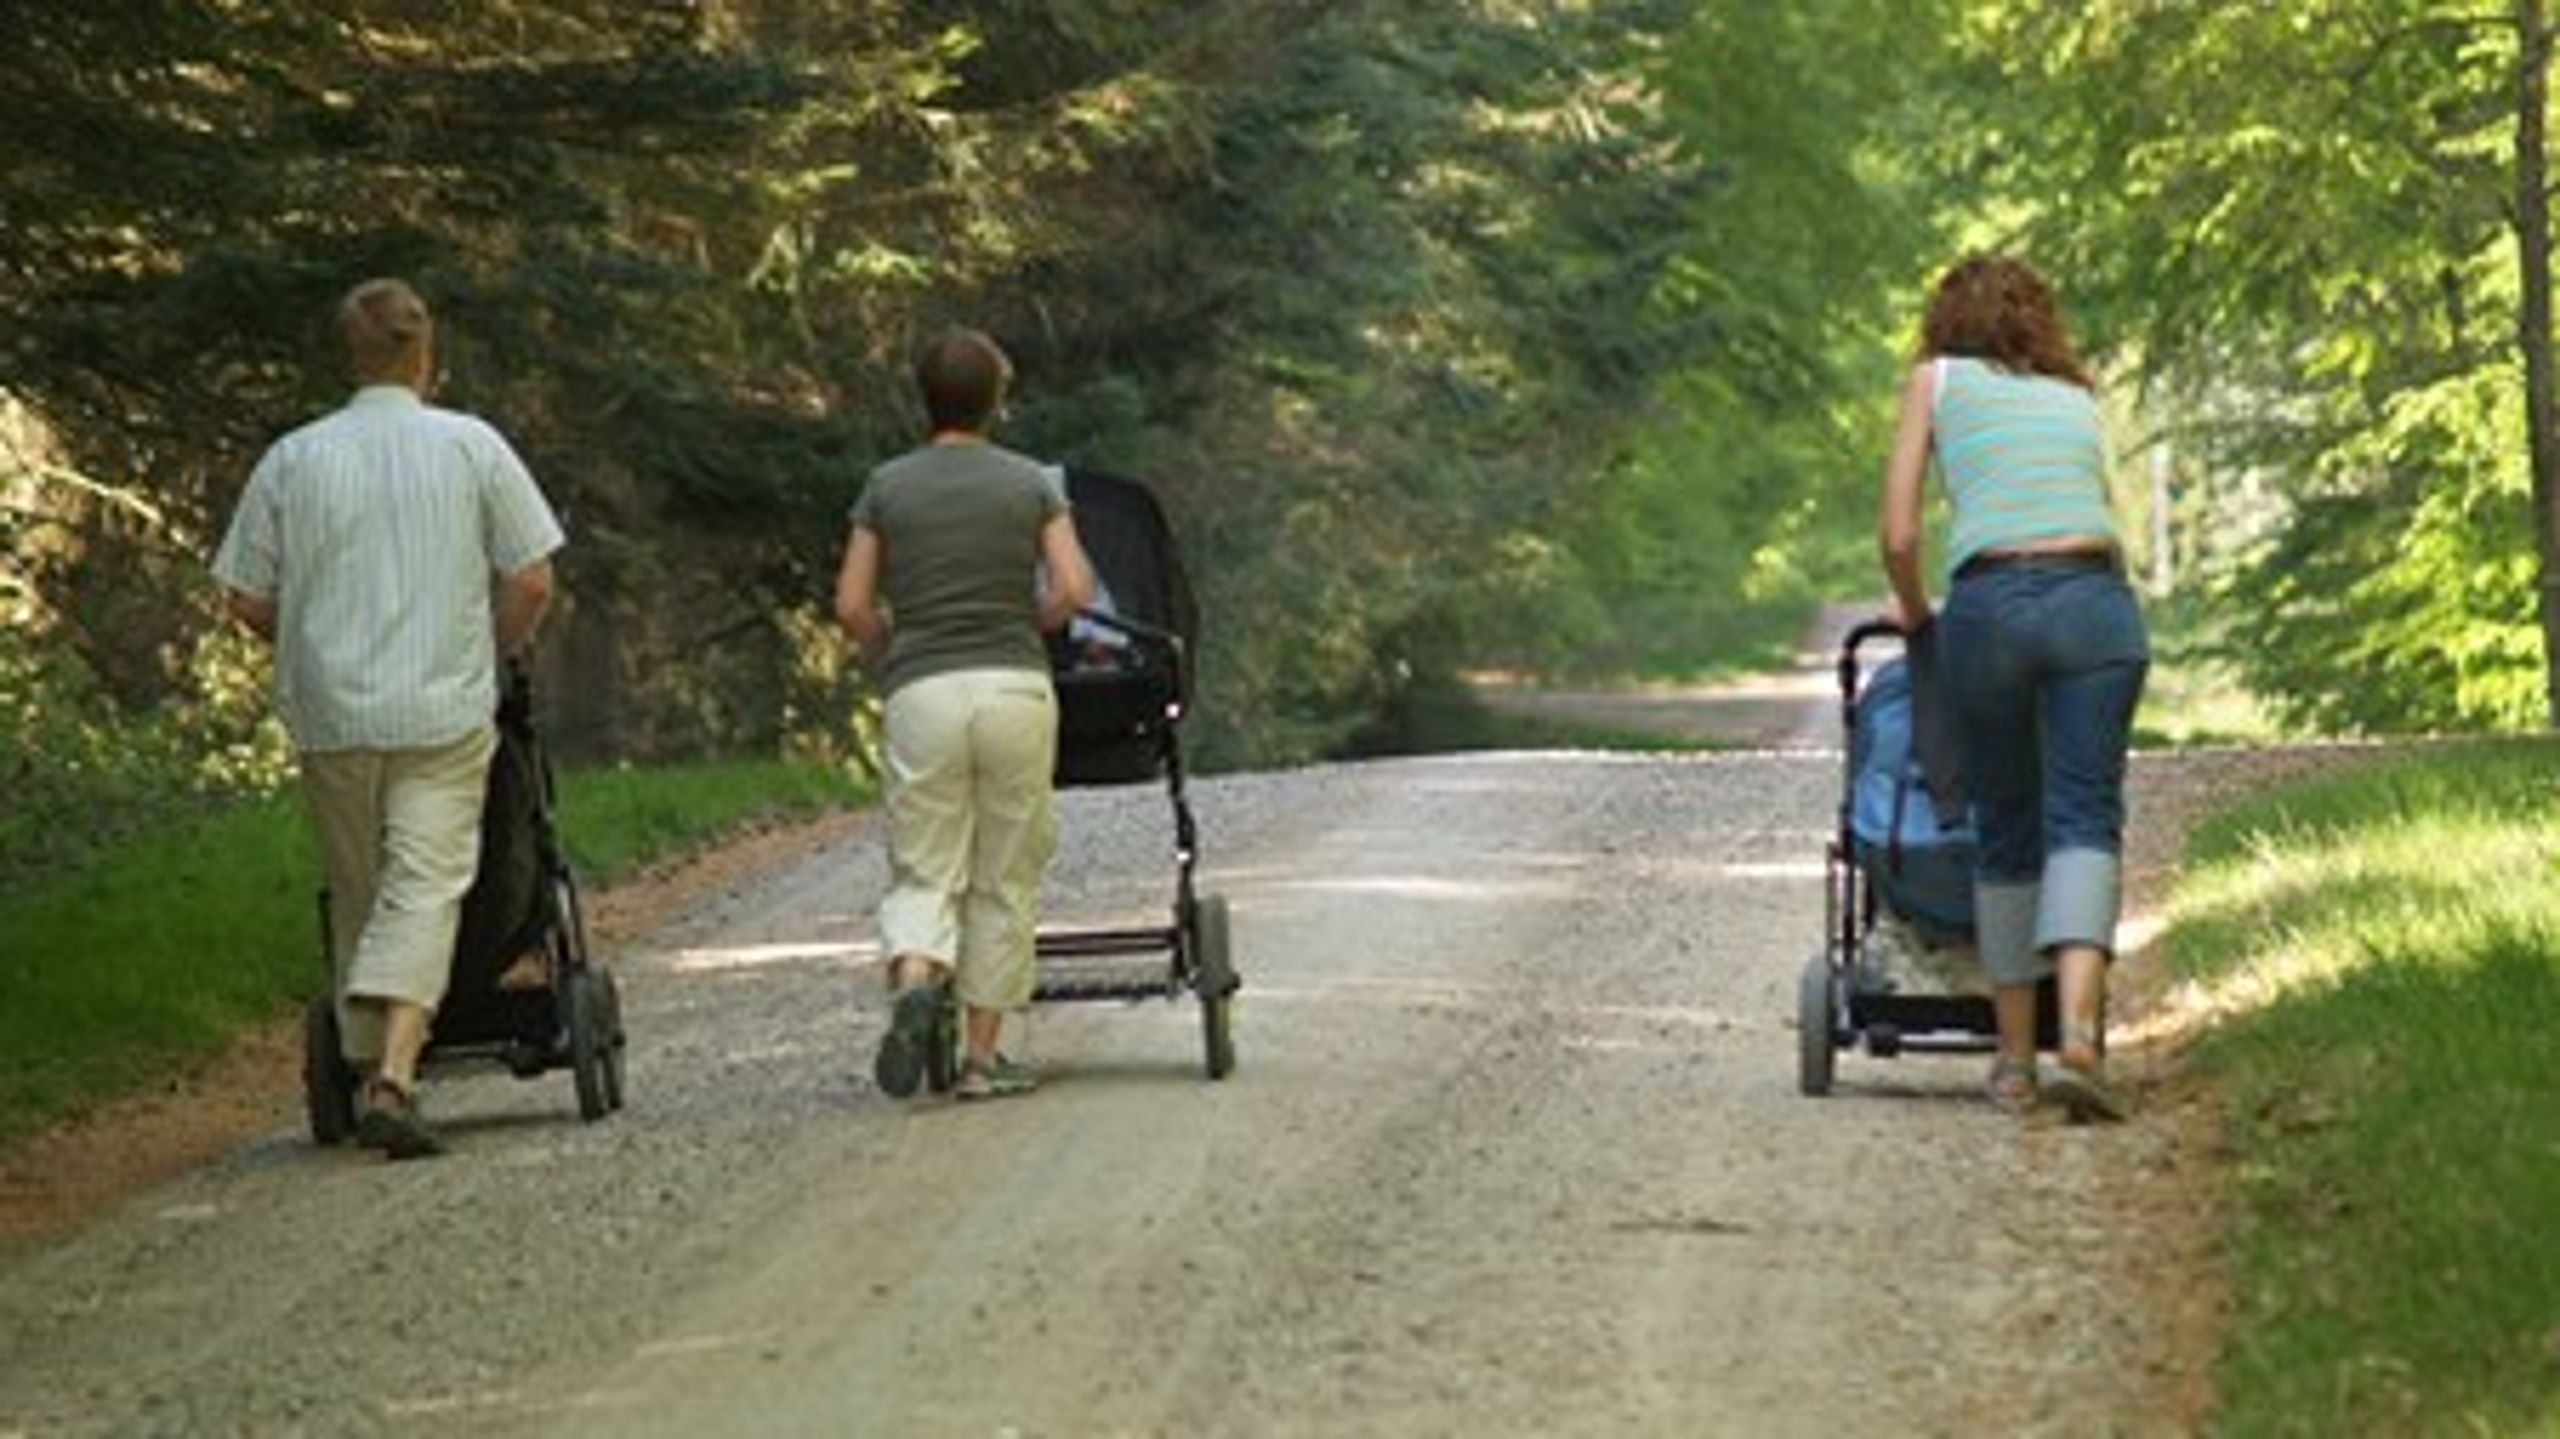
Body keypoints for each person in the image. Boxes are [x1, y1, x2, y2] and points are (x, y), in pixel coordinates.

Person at [214, 278, 563, 1158]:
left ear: (353, 356)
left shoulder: (294, 458)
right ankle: (393, 1078)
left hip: (332, 710)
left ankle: (371, 1057)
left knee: (363, 886)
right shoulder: (470, 446)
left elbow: (245, 596)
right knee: (424, 882)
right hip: (443, 705)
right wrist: (492, 654)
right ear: (424, 357)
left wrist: (303, 646)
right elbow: (531, 578)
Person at [1876, 254, 2148, 1122]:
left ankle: (2012, 1064)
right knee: (2084, 815)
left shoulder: (1936, 380)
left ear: (1944, 320)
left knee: (2005, 825)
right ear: (2041, 322)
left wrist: (1921, 617)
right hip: (2094, 604)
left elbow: (1897, 532)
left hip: (1988, 607)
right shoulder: (2077, 398)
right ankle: (2078, 1037)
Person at [835, 328, 1093, 1102]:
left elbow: (851, 604)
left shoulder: (886, 486)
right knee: (1004, 869)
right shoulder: (1029, 483)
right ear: (996, 401)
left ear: (925, 398)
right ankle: (982, 1060)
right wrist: (1035, 620)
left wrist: (891, 643)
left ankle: (917, 973)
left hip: (924, 689)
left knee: (924, 861)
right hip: (1012, 683)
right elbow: (1075, 586)